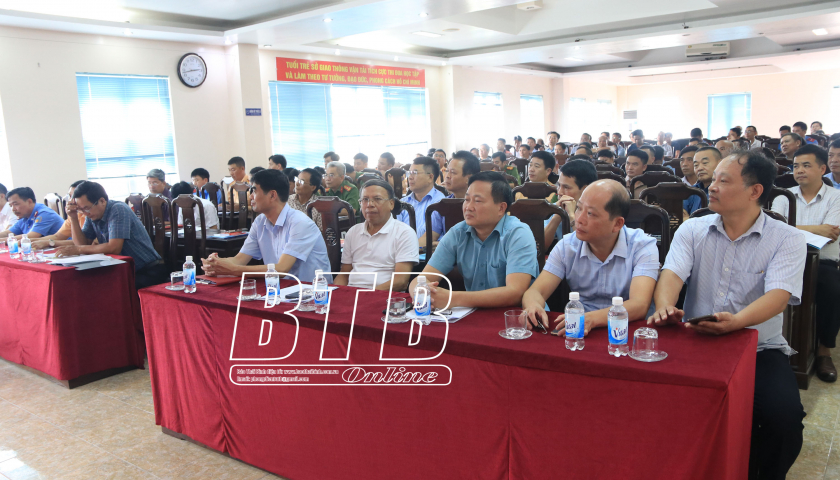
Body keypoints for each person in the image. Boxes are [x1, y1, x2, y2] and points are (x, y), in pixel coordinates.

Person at [648, 151, 806, 479]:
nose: (712, 186)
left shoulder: (787, 238)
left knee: (784, 419)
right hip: (696, 341)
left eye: (724, 180)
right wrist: (665, 305)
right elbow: (672, 274)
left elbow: (778, 297)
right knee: (657, 402)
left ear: (755, 191)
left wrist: (737, 322)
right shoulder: (693, 230)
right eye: (714, 178)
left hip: (759, 348)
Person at [523, 180, 659, 334]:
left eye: (590, 214)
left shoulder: (642, 247)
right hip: (581, 331)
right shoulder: (567, 246)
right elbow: (535, 292)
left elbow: (639, 305)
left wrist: (591, 319)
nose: (579, 219)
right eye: (579, 208)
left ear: (617, 224)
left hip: (627, 331)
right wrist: (533, 305)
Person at [409, 172, 539, 309]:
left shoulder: (518, 234)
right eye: (466, 199)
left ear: (501, 208)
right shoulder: (457, 233)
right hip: (474, 313)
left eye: (477, 201)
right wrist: (421, 291)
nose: (468, 207)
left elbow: (516, 293)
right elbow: (422, 279)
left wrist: (453, 298)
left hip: (516, 315)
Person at [771, 145, 840, 382]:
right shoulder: (783, 196)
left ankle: (824, 351)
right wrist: (815, 229)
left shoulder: (836, 198)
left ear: (822, 169)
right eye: (796, 166)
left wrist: (791, 229)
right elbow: (775, 229)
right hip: (785, 259)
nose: (799, 170)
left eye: (806, 165)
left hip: (823, 262)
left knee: (833, 289)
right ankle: (771, 345)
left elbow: (830, 234)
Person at [201, 170, 331, 283]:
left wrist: (233, 269)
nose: (251, 196)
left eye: (254, 191)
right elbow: (239, 260)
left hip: (312, 292)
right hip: (279, 288)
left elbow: (282, 269)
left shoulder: (300, 222)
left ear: (272, 195)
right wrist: (217, 264)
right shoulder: (259, 222)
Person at [57, 181, 167, 289]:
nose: (85, 213)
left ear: (102, 201)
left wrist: (79, 250)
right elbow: (82, 244)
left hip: (146, 271)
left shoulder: (118, 209)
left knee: (99, 288)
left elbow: (114, 248)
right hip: (121, 269)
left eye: (86, 208)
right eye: (81, 210)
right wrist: (73, 217)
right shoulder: (92, 214)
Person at [334, 180, 418, 292]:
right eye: (365, 199)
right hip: (352, 293)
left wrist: (364, 295)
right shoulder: (353, 232)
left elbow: (400, 281)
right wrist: (337, 293)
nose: (370, 204)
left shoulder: (404, 233)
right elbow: (344, 274)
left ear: (391, 204)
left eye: (377, 199)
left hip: (385, 296)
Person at [429, 150, 481, 245]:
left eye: (453, 172)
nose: (447, 176)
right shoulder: (443, 205)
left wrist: (443, 244)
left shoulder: (482, 204)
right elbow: (429, 237)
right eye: (447, 171)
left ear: (469, 179)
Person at [544, 160, 598, 245]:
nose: (559, 192)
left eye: (566, 187)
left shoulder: (597, 213)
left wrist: (572, 217)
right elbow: (541, 247)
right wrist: (557, 216)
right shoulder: (555, 208)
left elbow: (587, 247)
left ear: (585, 189)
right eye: (559, 185)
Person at [31, 180, 88, 249]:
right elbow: (58, 236)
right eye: (69, 196)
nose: (70, 201)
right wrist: (29, 241)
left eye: (75, 197)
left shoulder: (91, 214)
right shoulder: (75, 213)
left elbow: (85, 242)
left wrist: (49, 243)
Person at [400, 156, 444, 241]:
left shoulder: (440, 203)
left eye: (414, 173)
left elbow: (430, 239)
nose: (410, 177)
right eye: (409, 173)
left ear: (430, 177)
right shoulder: (403, 203)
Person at [683, 147, 723, 216]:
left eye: (705, 163)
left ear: (720, 163)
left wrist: (690, 220)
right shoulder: (691, 191)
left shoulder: (727, 191)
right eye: (696, 165)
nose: (699, 168)